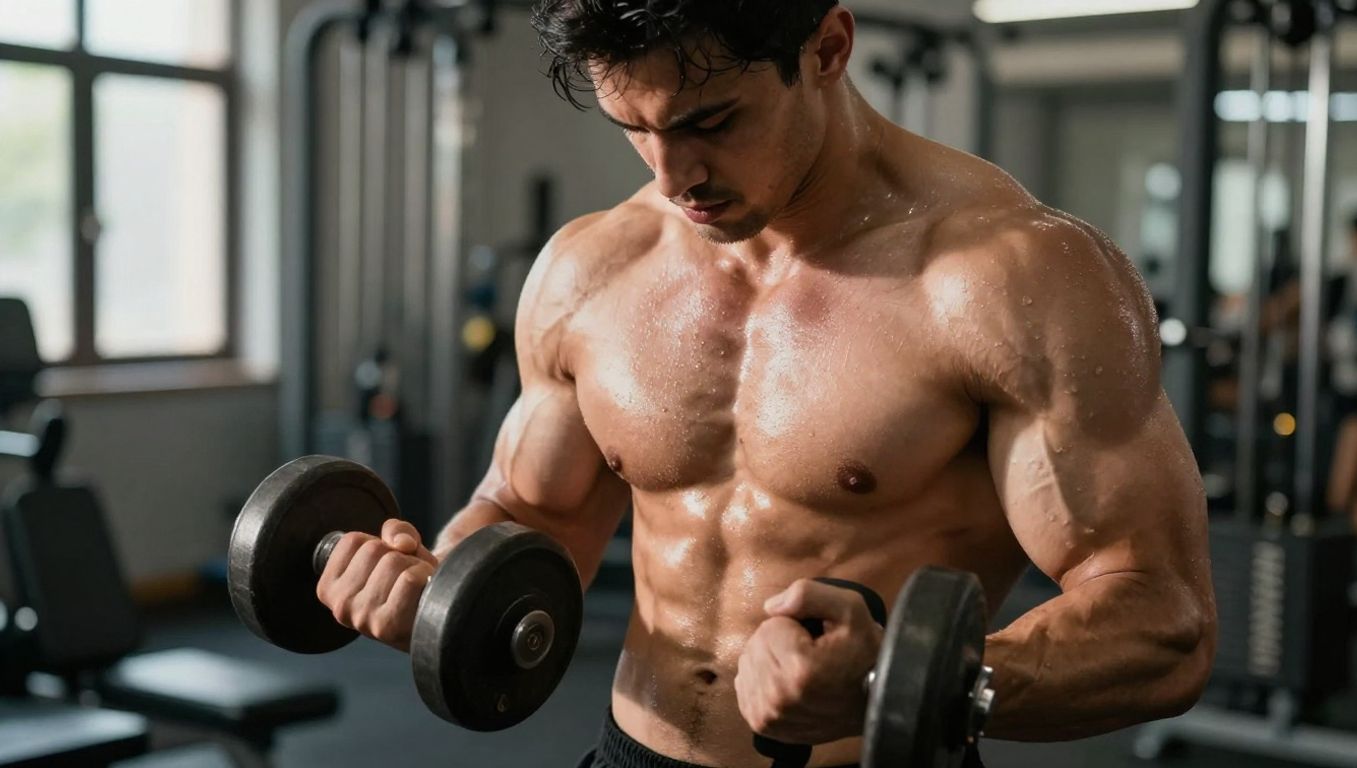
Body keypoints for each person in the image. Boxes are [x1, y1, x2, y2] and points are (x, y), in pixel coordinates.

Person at [314, 3, 1217, 766]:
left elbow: (1163, 622)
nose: (674, 177)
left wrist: (910, 681)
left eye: (710, 122)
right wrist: (431, 585)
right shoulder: (590, 270)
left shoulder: (1012, 279)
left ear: (827, 48)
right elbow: (533, 513)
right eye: (635, 128)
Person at [1328, 212, 1357, 532]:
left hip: (1356, 393)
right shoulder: (1346, 279)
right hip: (1350, 386)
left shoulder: (1355, 275)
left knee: (1344, 496)